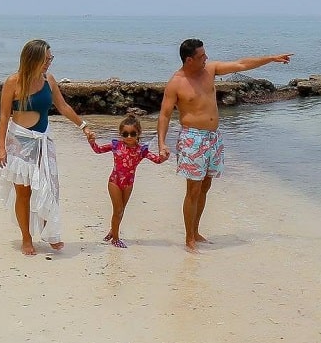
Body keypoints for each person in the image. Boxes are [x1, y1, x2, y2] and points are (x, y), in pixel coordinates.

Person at [157, 38, 292, 253]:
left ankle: (196, 231)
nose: (206, 58)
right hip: (192, 138)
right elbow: (164, 115)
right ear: (189, 59)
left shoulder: (210, 70)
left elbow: (241, 64)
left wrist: (271, 58)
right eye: (202, 56)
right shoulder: (176, 83)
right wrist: (162, 143)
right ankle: (189, 238)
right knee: (193, 190)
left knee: (205, 187)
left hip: (214, 138)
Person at [0, 39, 96, 256]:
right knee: (24, 192)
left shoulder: (48, 80)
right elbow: (4, 118)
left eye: (51, 58)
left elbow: (63, 106)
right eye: (46, 59)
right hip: (19, 143)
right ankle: (26, 238)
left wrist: (84, 126)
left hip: (43, 141)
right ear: (33, 59)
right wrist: (1, 148)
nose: (49, 62)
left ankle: (50, 233)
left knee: (48, 188)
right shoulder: (13, 82)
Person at [87, 115, 168, 249]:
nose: (129, 137)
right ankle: (115, 239)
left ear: (138, 134)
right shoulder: (116, 145)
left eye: (132, 133)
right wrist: (92, 142)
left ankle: (113, 231)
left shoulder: (141, 150)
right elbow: (98, 150)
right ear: (121, 134)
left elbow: (157, 160)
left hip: (128, 184)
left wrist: (164, 156)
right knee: (118, 210)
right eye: (125, 134)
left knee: (121, 210)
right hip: (114, 181)